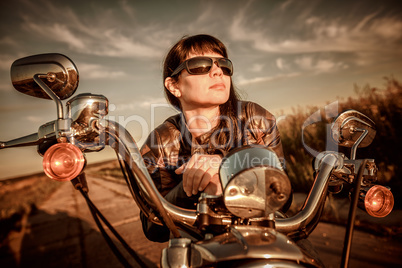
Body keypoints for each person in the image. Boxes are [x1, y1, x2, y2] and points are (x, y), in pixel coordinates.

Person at [140, 34, 286, 242]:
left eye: (224, 65)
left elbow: (281, 196)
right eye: (200, 65)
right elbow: (152, 228)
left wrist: (227, 167)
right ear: (174, 86)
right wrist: (191, 185)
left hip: (264, 239)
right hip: (200, 245)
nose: (218, 71)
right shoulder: (160, 142)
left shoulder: (255, 119)